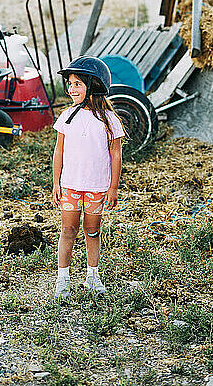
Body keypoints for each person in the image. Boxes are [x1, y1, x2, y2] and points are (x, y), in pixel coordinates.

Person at [52, 56, 124, 299]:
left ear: (93, 85)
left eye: (77, 84)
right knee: (68, 228)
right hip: (70, 184)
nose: (71, 89)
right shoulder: (66, 117)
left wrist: (113, 188)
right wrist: (55, 183)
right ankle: (63, 277)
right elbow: (58, 151)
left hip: (97, 186)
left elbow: (115, 154)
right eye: (70, 84)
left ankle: (92, 275)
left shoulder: (110, 120)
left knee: (92, 230)